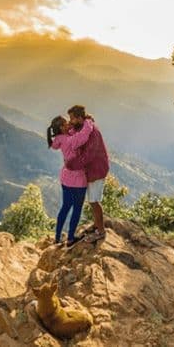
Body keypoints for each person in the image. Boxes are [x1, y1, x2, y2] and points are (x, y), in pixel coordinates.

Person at [47, 115, 94, 246]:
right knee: (77, 208)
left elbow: (71, 133)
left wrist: (76, 123)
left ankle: (57, 237)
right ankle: (71, 238)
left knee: (65, 207)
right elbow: (83, 136)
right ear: (62, 127)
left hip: (66, 179)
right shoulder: (71, 140)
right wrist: (88, 122)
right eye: (66, 122)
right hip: (78, 180)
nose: (69, 123)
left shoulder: (59, 139)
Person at [66, 105, 110, 243]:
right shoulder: (84, 128)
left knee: (94, 201)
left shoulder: (92, 133)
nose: (71, 121)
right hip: (92, 170)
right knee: (92, 200)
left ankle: (101, 232)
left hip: (97, 170)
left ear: (80, 118)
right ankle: (97, 224)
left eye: (72, 118)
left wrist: (72, 164)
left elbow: (88, 155)